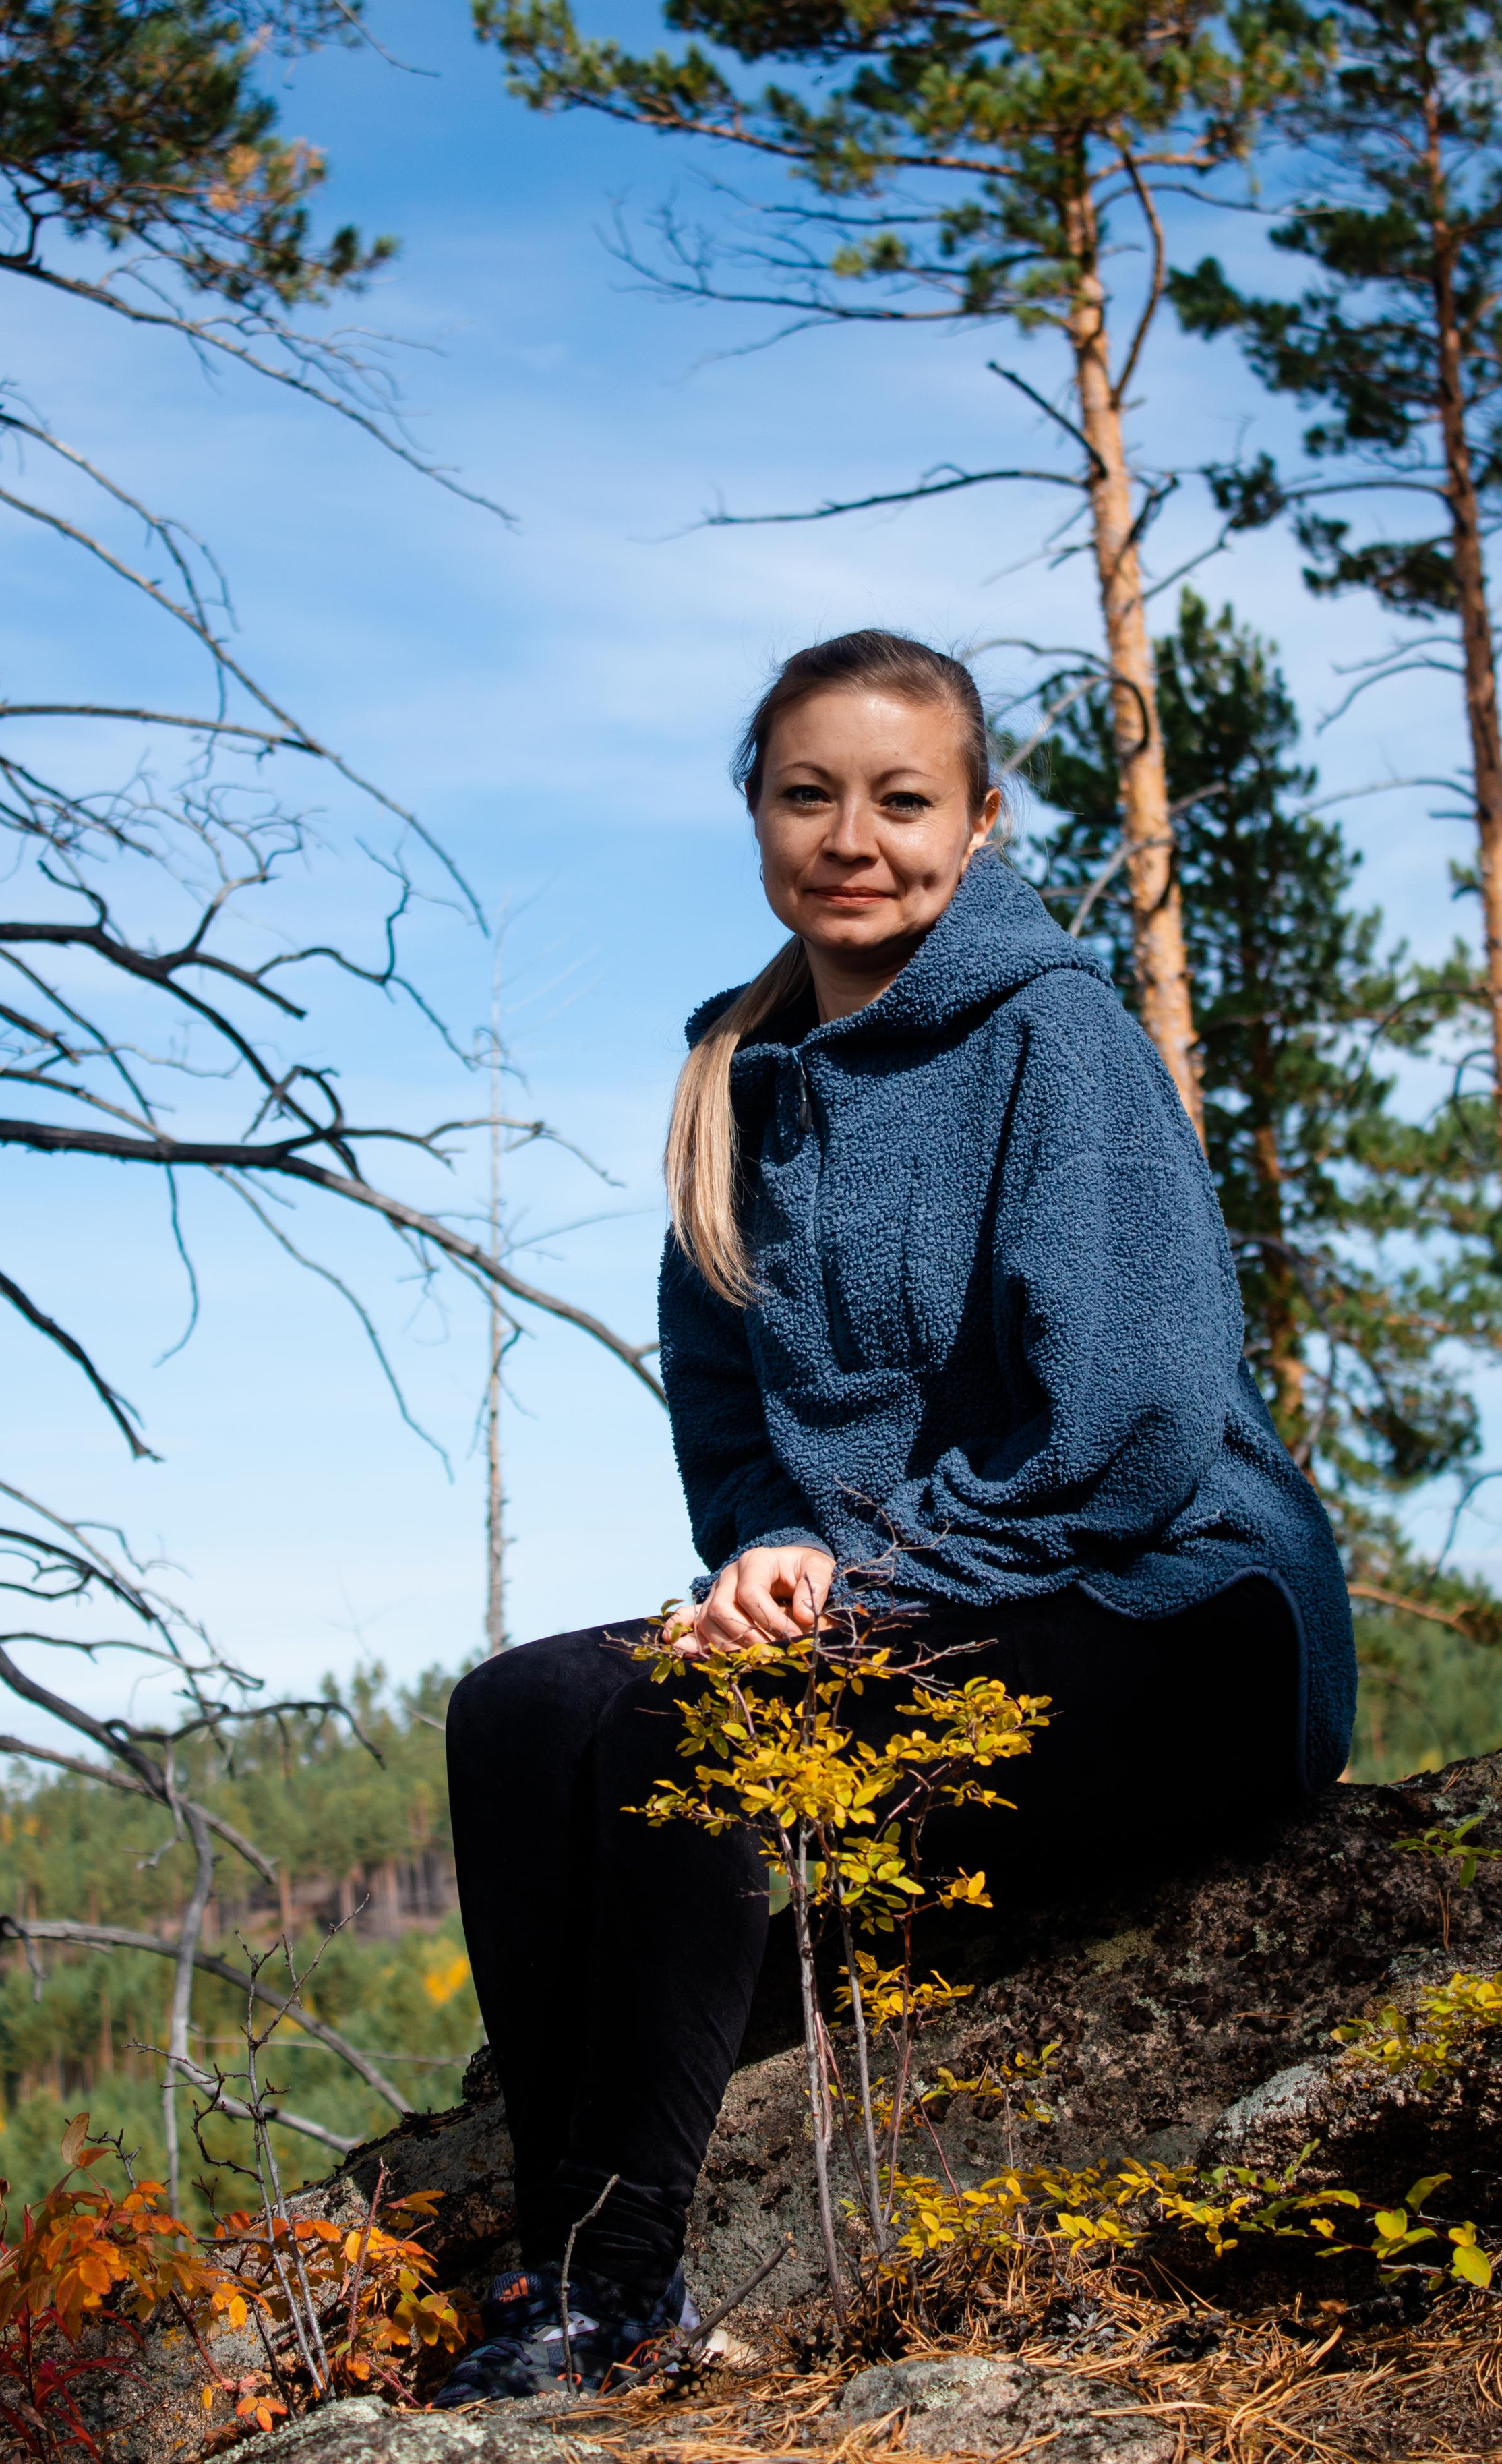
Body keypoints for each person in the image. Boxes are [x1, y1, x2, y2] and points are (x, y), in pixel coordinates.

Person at [433, 630, 1356, 2407]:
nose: (854, 836)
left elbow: (1136, 1426)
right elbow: (724, 1397)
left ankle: (619, 2301)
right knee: (521, 1710)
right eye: (808, 794)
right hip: (935, 1594)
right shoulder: (741, 1076)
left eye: (903, 799)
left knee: (678, 1720)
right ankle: (562, 2270)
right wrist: (776, 1544)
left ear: (983, 819)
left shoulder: (1054, 1036)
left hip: (1182, 1602)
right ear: (759, 816)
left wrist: (859, 1583)